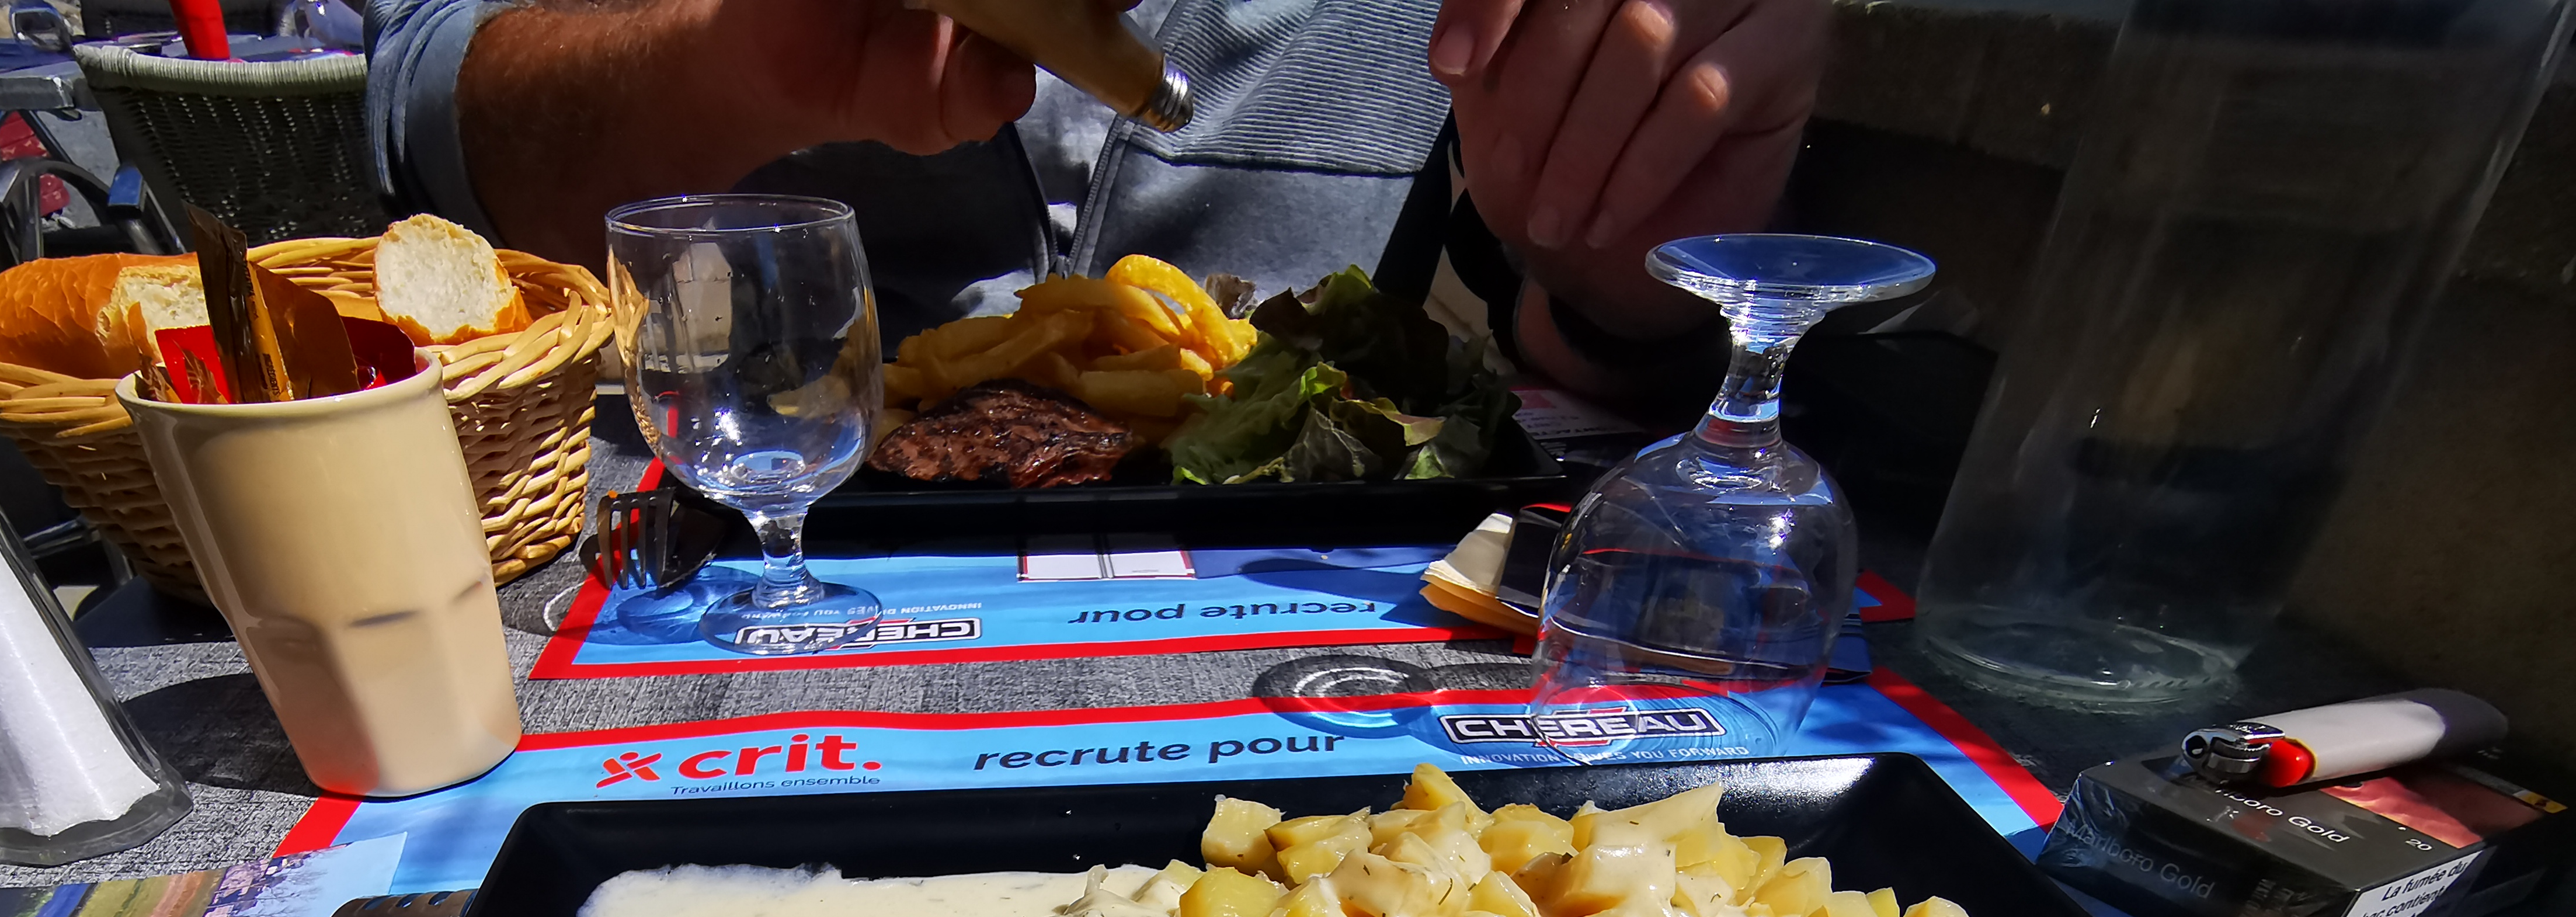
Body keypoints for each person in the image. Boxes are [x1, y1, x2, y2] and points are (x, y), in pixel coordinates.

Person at [364, 0, 1825, 404]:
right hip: (717, 540)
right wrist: (729, 62)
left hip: (1344, 621)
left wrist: (1631, 258)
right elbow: (421, 113)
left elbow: (1569, 353)